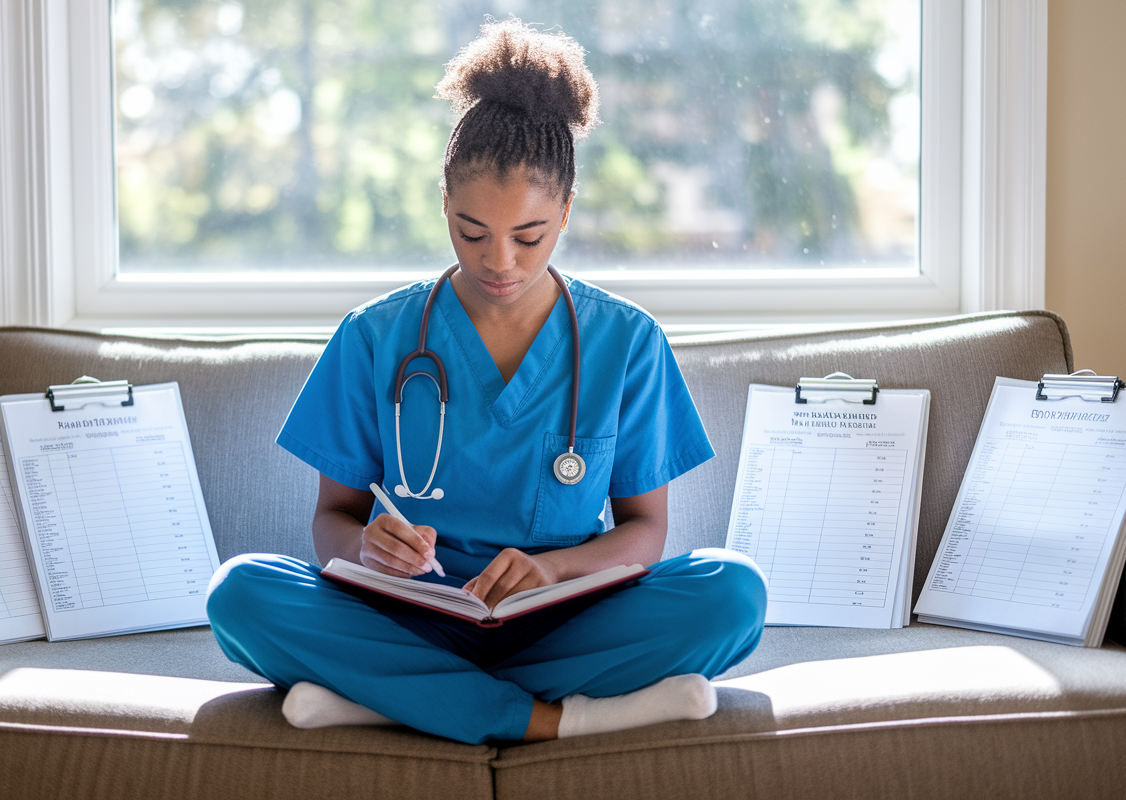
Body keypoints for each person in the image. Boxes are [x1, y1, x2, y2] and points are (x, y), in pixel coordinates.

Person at [206, 18, 766, 746]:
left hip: (565, 622)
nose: (499, 262)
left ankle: (391, 698)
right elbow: (331, 523)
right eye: (473, 233)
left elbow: (646, 531)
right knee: (243, 593)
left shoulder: (627, 341)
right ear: (444, 204)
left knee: (731, 593)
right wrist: (370, 546)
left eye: (528, 237)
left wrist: (554, 569)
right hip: (408, 618)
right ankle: (550, 717)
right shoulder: (374, 337)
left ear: (565, 212)